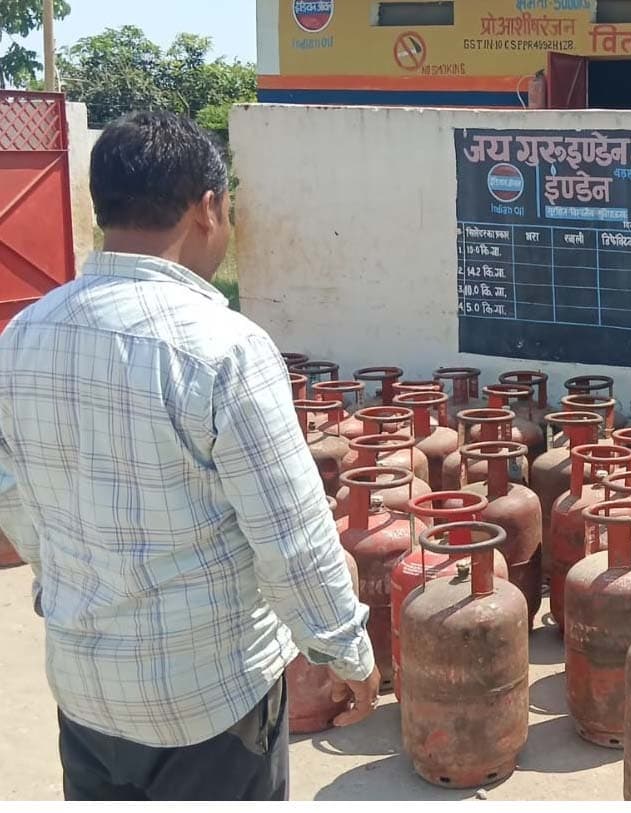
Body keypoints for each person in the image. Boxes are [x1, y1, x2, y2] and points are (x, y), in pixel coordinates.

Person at [0, 111, 378, 801]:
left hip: (85, 690)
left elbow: (10, 491)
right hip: (208, 702)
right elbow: (291, 535)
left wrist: (66, 580)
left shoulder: (23, 334)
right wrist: (345, 651)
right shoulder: (225, 349)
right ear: (207, 208)